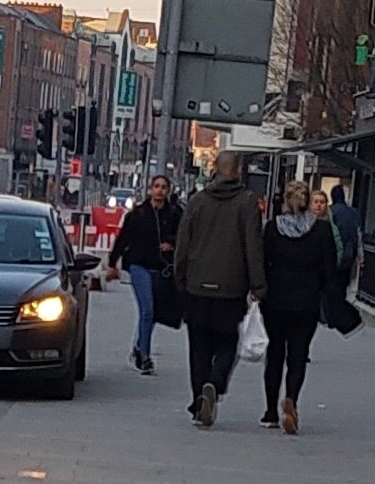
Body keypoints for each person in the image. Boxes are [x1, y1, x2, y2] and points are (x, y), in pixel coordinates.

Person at [175, 151, 266, 428]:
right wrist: (257, 284)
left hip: (197, 286)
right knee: (227, 343)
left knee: (198, 346)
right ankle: (215, 383)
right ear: (238, 171)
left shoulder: (197, 201)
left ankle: (197, 402)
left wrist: (181, 278)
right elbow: (253, 245)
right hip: (231, 287)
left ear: (215, 169)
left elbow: (183, 244)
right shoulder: (248, 202)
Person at [261, 181, 336, 435]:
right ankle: (291, 399)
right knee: (298, 355)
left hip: (275, 301)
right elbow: (329, 270)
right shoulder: (321, 230)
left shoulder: (273, 229)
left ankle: (271, 411)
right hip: (306, 303)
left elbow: (263, 262)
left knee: (274, 355)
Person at [107, 175, 181, 375]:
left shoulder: (175, 214)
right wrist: (112, 264)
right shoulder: (138, 214)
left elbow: (184, 236)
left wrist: (172, 243)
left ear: (168, 190)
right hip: (139, 266)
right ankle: (145, 357)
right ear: (150, 189)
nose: (160, 191)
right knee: (147, 309)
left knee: (153, 312)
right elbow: (123, 239)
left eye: (164, 187)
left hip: (161, 268)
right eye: (156, 186)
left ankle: (139, 346)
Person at [330, 185, 363, 292]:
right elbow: (358, 235)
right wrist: (360, 255)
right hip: (350, 256)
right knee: (343, 286)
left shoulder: (331, 212)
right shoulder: (353, 212)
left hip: (334, 255)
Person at [310, 190, 343, 266]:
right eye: (316, 202)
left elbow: (338, 247)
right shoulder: (304, 224)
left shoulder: (331, 225)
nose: (319, 205)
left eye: (322, 202)